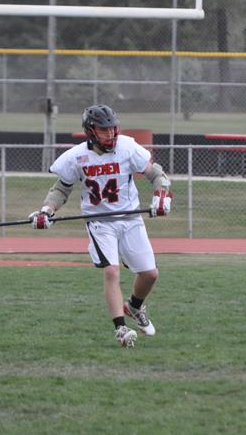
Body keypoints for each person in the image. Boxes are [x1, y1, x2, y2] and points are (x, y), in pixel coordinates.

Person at [29, 104, 172, 347]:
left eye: (112, 129)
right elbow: (61, 189)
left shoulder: (126, 147)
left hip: (130, 218)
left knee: (150, 274)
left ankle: (134, 307)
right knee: (111, 271)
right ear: (90, 131)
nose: (110, 134)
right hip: (100, 222)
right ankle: (120, 329)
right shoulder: (76, 157)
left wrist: (161, 195)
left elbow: (156, 174)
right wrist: (46, 211)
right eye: (104, 130)